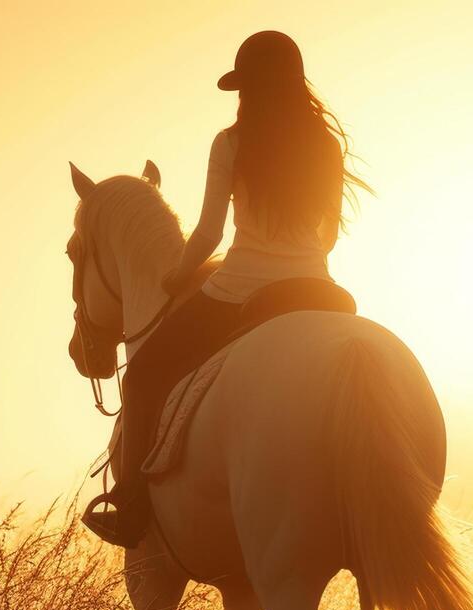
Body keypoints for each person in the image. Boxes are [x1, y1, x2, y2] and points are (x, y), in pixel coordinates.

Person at [81, 30, 370, 548]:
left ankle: (130, 508)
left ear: (249, 89)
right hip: (321, 289)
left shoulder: (231, 142)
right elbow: (328, 232)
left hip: (242, 290)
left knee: (145, 376)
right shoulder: (324, 145)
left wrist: (177, 275)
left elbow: (211, 233)